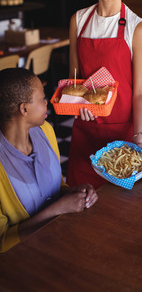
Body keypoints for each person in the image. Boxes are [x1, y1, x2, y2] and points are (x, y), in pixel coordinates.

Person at [66, 0, 142, 189]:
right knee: (81, 205)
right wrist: (76, 105)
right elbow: (74, 79)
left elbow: (140, 92)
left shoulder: (136, 28)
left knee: (128, 208)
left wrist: (137, 138)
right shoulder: (78, 20)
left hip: (124, 133)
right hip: (87, 129)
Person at [0, 68, 98, 253]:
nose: (48, 103)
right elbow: (2, 241)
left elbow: (57, 187)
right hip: (24, 260)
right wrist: (56, 210)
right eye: (43, 98)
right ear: (24, 109)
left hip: (63, 239)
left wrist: (74, 193)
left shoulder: (45, 131)